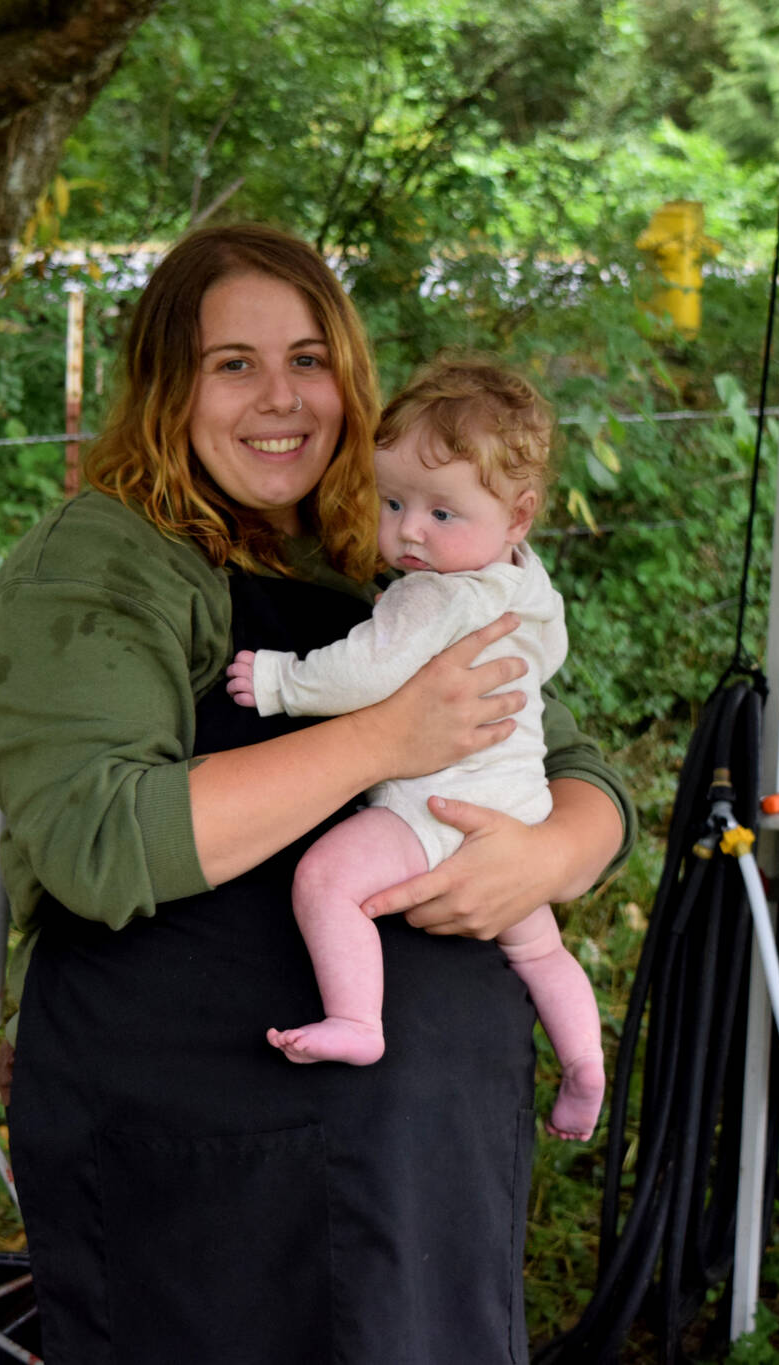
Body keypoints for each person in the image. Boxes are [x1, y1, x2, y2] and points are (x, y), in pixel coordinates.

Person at [0, 222, 635, 1365]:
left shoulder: (389, 551)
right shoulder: (99, 566)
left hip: (423, 1158)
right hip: (209, 1157)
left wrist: (547, 861)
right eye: (234, 363)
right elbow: (98, 838)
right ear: (168, 385)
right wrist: (381, 735)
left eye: (308, 360)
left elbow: (574, 768)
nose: (279, 398)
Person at [226, 358, 605, 1143]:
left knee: (327, 879)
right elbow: (549, 659)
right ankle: (584, 1061)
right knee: (538, 948)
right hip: (519, 808)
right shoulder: (526, 582)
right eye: (393, 501)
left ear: (519, 514)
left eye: (441, 513)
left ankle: (356, 1017)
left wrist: (279, 682)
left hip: (436, 805)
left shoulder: (431, 595)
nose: (407, 532)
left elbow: (364, 672)